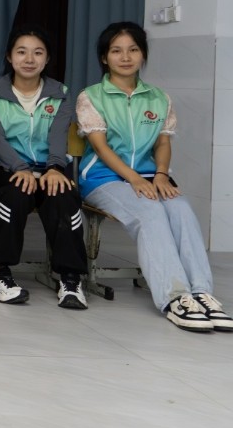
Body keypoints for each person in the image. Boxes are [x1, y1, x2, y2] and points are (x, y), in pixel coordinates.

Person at [76, 21, 230, 332]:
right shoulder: (91, 96)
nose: (125, 57)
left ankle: (201, 293)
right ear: (104, 57)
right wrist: (134, 179)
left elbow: (162, 143)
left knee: (181, 210)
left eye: (133, 49)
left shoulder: (159, 98)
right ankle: (175, 298)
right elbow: (101, 148)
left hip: (150, 176)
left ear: (143, 54)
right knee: (150, 212)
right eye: (116, 51)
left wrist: (161, 175)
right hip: (103, 178)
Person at [0, 27, 88, 308]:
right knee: (16, 191)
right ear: (9, 57)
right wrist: (19, 168)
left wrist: (55, 168)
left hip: (47, 167)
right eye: (21, 52)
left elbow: (58, 135)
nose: (29, 59)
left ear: (47, 58)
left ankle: (70, 278)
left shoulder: (60, 93)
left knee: (64, 194)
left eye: (38, 53)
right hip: (0, 168)